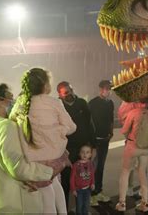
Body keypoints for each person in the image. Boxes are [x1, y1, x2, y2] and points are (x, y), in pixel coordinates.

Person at [0, 84, 68, 213]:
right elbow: (20, 169)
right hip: (16, 206)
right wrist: (52, 170)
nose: (15, 103)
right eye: (10, 98)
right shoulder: (6, 127)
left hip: (1, 203)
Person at [10, 68, 77, 214]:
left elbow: (12, 126)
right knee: (51, 190)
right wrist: (59, 131)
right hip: (53, 158)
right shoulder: (54, 103)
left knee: (49, 190)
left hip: (32, 159)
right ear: (46, 85)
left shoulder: (20, 103)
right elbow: (72, 127)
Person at [57, 81, 95, 210]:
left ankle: (81, 209)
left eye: (71, 90)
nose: (70, 94)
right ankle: (66, 209)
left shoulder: (82, 103)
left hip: (83, 148)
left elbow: (90, 124)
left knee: (84, 179)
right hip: (67, 149)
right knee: (67, 180)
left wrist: (93, 146)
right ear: (60, 94)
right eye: (66, 92)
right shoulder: (58, 106)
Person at [116, 97, 148, 212]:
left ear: (138, 102)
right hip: (145, 147)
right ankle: (145, 203)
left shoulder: (133, 112)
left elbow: (124, 130)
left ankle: (122, 203)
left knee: (125, 171)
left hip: (132, 145)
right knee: (142, 173)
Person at [88, 79, 114, 204]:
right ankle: (91, 194)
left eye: (109, 89)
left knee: (101, 167)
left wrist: (111, 131)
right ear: (100, 89)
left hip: (105, 140)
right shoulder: (92, 103)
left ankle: (98, 191)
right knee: (93, 167)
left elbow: (110, 119)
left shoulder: (110, 103)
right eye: (104, 88)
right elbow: (88, 122)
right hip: (95, 141)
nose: (107, 91)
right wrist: (91, 140)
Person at [70, 144, 95, 215]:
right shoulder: (76, 165)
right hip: (78, 190)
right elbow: (72, 178)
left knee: (86, 205)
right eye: (82, 152)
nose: (85, 154)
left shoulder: (90, 164)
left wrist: (92, 183)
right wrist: (73, 189)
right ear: (79, 153)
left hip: (88, 189)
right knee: (79, 205)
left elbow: (92, 174)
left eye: (87, 152)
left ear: (90, 154)